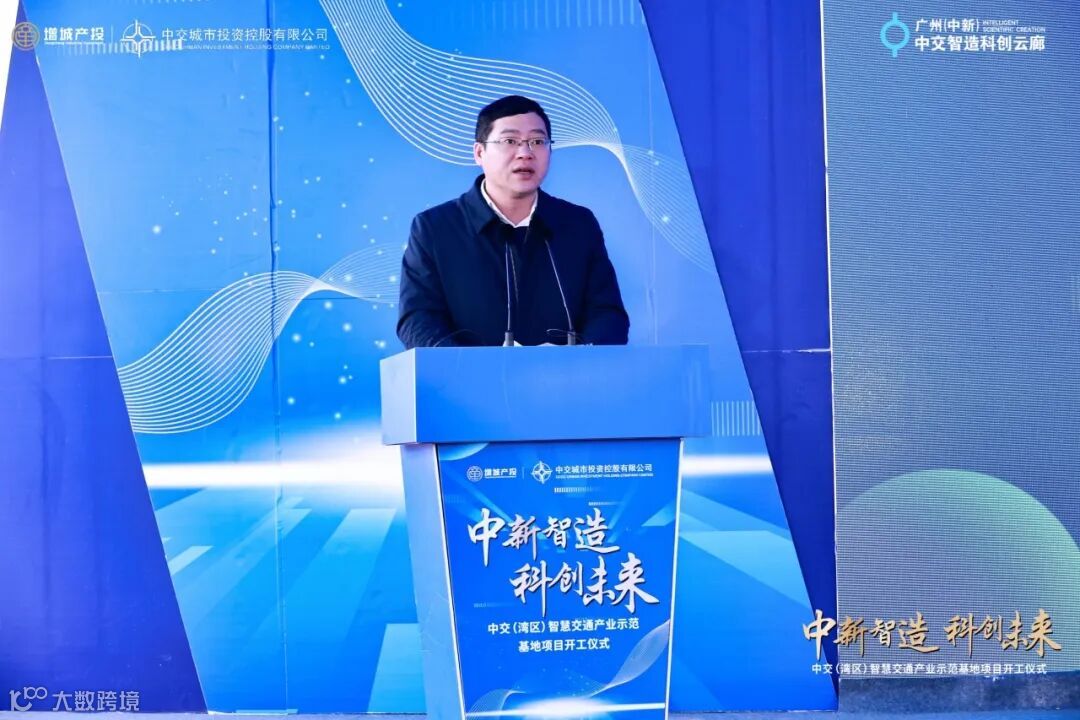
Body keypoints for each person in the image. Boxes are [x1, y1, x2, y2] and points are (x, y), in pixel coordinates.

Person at [396, 95, 630, 348]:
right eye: (510, 141)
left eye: (537, 141)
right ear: (479, 152)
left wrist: (576, 358)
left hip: (565, 372)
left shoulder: (578, 225)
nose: (525, 153)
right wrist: (471, 365)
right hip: (469, 374)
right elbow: (417, 321)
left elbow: (608, 315)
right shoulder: (435, 228)